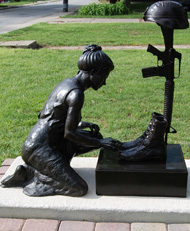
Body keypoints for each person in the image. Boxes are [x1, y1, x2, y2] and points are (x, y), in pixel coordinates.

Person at [1, 44, 122, 197]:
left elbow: (49, 117)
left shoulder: (66, 84)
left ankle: (43, 169)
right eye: (104, 76)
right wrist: (101, 144)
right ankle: (32, 175)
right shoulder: (76, 94)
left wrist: (84, 125)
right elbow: (69, 134)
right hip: (39, 149)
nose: (104, 82)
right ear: (92, 72)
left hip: (43, 141)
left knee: (95, 136)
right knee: (79, 188)